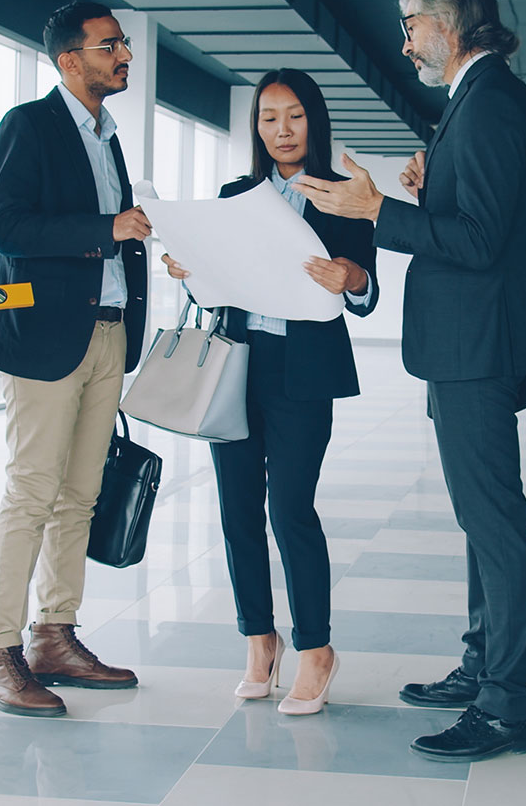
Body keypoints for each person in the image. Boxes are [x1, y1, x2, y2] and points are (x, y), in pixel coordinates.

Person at [295, 0, 526, 761]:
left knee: (495, 523)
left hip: (474, 345)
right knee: (482, 521)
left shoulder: (492, 102)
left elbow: (477, 243)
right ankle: (482, 668)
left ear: (450, 24)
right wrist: (426, 187)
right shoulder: (475, 101)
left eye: (411, 24)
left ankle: (506, 706)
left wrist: (378, 210)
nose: (404, 41)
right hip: (463, 342)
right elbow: (478, 217)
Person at [160, 67, 378, 716]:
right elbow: (214, 286)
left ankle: (315, 650)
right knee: (235, 515)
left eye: (293, 116)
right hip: (236, 364)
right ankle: (259, 641)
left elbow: (364, 289)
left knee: (289, 511)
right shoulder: (235, 192)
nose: (280, 130)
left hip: (302, 369)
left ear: (313, 120)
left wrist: (348, 275)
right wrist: (188, 271)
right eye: (267, 117)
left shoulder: (344, 194)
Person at [0, 0, 150, 716]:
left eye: (123, 45)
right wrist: (106, 227)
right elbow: (7, 226)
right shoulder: (30, 125)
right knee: (31, 492)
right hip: (45, 338)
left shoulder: (107, 138)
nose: (124, 56)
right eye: (110, 46)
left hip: (106, 331)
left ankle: (55, 633)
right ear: (70, 59)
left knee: (80, 494)